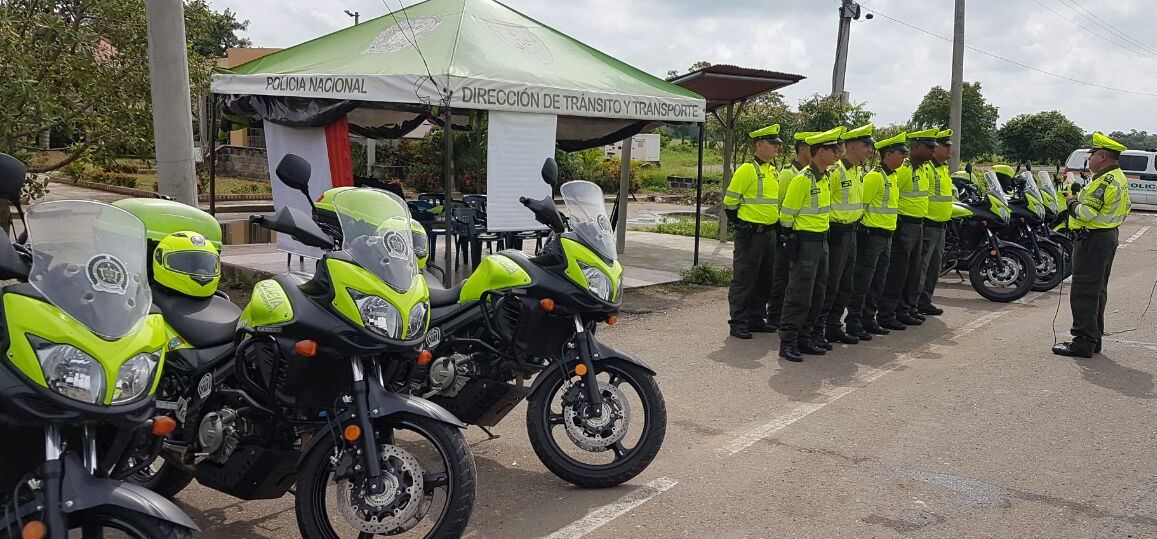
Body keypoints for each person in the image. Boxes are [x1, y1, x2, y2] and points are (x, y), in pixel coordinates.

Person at [1053, 132, 1132, 358]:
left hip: (1093, 239)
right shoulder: (1117, 177)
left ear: (1103, 157)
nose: (1089, 160)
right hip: (1106, 236)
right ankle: (1093, 337)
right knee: (1097, 290)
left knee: (1084, 291)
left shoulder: (1104, 181)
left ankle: (1083, 341)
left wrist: (1071, 203)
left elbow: (1086, 213)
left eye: (1092, 156)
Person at [778, 126, 844, 361]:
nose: (837, 153)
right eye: (832, 149)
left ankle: (806, 338)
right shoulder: (802, 179)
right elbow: (787, 215)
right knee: (799, 293)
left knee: (818, 292)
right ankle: (788, 341)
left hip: (821, 241)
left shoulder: (825, 177)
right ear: (820, 152)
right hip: (805, 242)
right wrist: (790, 239)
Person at [723, 124, 784, 339]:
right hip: (751, 234)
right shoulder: (747, 170)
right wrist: (740, 225)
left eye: (777, 143)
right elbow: (730, 203)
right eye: (772, 143)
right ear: (759, 145)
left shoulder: (772, 171)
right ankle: (738, 322)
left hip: (769, 233)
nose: (777, 147)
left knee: (765, 279)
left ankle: (757, 318)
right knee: (745, 278)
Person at [845, 132, 906, 341]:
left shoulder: (893, 176)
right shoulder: (875, 177)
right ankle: (854, 321)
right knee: (863, 281)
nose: (904, 158)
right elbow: (862, 207)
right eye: (901, 153)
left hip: (886, 236)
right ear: (889, 154)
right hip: (872, 237)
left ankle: (869, 319)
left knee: (878, 282)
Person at [816, 124, 872, 345]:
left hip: (852, 232)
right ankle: (819, 329)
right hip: (837, 232)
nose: (868, 150)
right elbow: (824, 203)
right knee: (831, 283)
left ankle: (833, 325)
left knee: (846, 284)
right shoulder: (836, 172)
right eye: (864, 145)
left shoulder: (858, 171)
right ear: (851, 147)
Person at [877, 128, 937, 330]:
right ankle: (888, 312)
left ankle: (905, 308)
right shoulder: (904, 171)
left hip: (918, 225)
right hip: (904, 227)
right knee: (898, 272)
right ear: (916, 147)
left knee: (912, 270)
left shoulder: (921, 170)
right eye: (929, 147)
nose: (932, 151)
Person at [766, 131, 816, 331]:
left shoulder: (812, 175)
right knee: (782, 278)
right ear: (803, 149)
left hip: (803, 238)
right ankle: (775, 316)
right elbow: (780, 206)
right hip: (787, 236)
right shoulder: (788, 174)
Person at [915, 128, 956, 316]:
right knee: (921, 266)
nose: (949, 150)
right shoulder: (928, 168)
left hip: (941, 225)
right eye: (946, 146)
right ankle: (914, 302)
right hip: (929, 224)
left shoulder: (943, 169)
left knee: (934, 267)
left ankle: (925, 300)